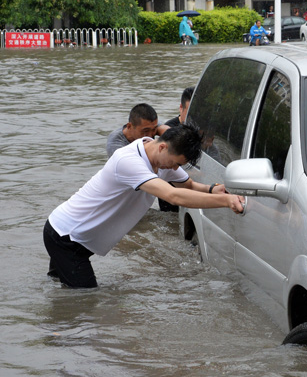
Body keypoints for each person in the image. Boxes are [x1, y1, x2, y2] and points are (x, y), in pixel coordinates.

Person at [44, 124, 245, 289]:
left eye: (179, 166)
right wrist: (226, 201)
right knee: (85, 302)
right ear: (163, 147)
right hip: (67, 236)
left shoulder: (161, 160)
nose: (174, 169)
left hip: (81, 236)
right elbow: (173, 195)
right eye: (175, 163)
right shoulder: (129, 161)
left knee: (58, 291)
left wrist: (212, 189)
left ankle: (53, 328)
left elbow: (188, 185)